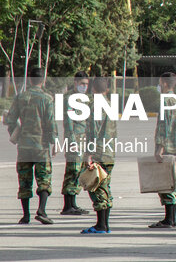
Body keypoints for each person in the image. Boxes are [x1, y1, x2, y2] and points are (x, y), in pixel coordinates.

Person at [7, 66, 57, 225]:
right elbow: (50, 123)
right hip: (41, 146)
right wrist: (54, 141)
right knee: (44, 178)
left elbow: (10, 120)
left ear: (29, 79)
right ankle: (41, 210)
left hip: (24, 146)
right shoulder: (47, 99)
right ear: (43, 80)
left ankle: (25, 215)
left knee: (24, 179)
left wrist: (15, 134)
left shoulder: (20, 97)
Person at [81, 77, 115, 235]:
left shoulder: (96, 105)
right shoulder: (109, 103)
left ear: (93, 89)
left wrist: (89, 153)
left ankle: (101, 225)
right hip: (109, 152)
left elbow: (93, 132)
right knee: (104, 187)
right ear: (106, 89)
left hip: (98, 153)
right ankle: (104, 224)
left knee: (96, 188)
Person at [149, 71, 176, 229]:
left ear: (163, 83)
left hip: (168, 147)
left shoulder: (167, 100)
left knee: (166, 183)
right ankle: (171, 218)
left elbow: (165, 125)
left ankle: (169, 219)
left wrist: (160, 147)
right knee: (171, 182)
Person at [60, 71, 89, 216]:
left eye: (86, 84)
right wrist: (72, 141)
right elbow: (68, 122)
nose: (84, 87)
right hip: (74, 139)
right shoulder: (70, 99)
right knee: (72, 171)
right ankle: (67, 205)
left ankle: (73, 203)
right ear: (75, 83)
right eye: (82, 84)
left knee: (78, 171)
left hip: (82, 139)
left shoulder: (82, 99)